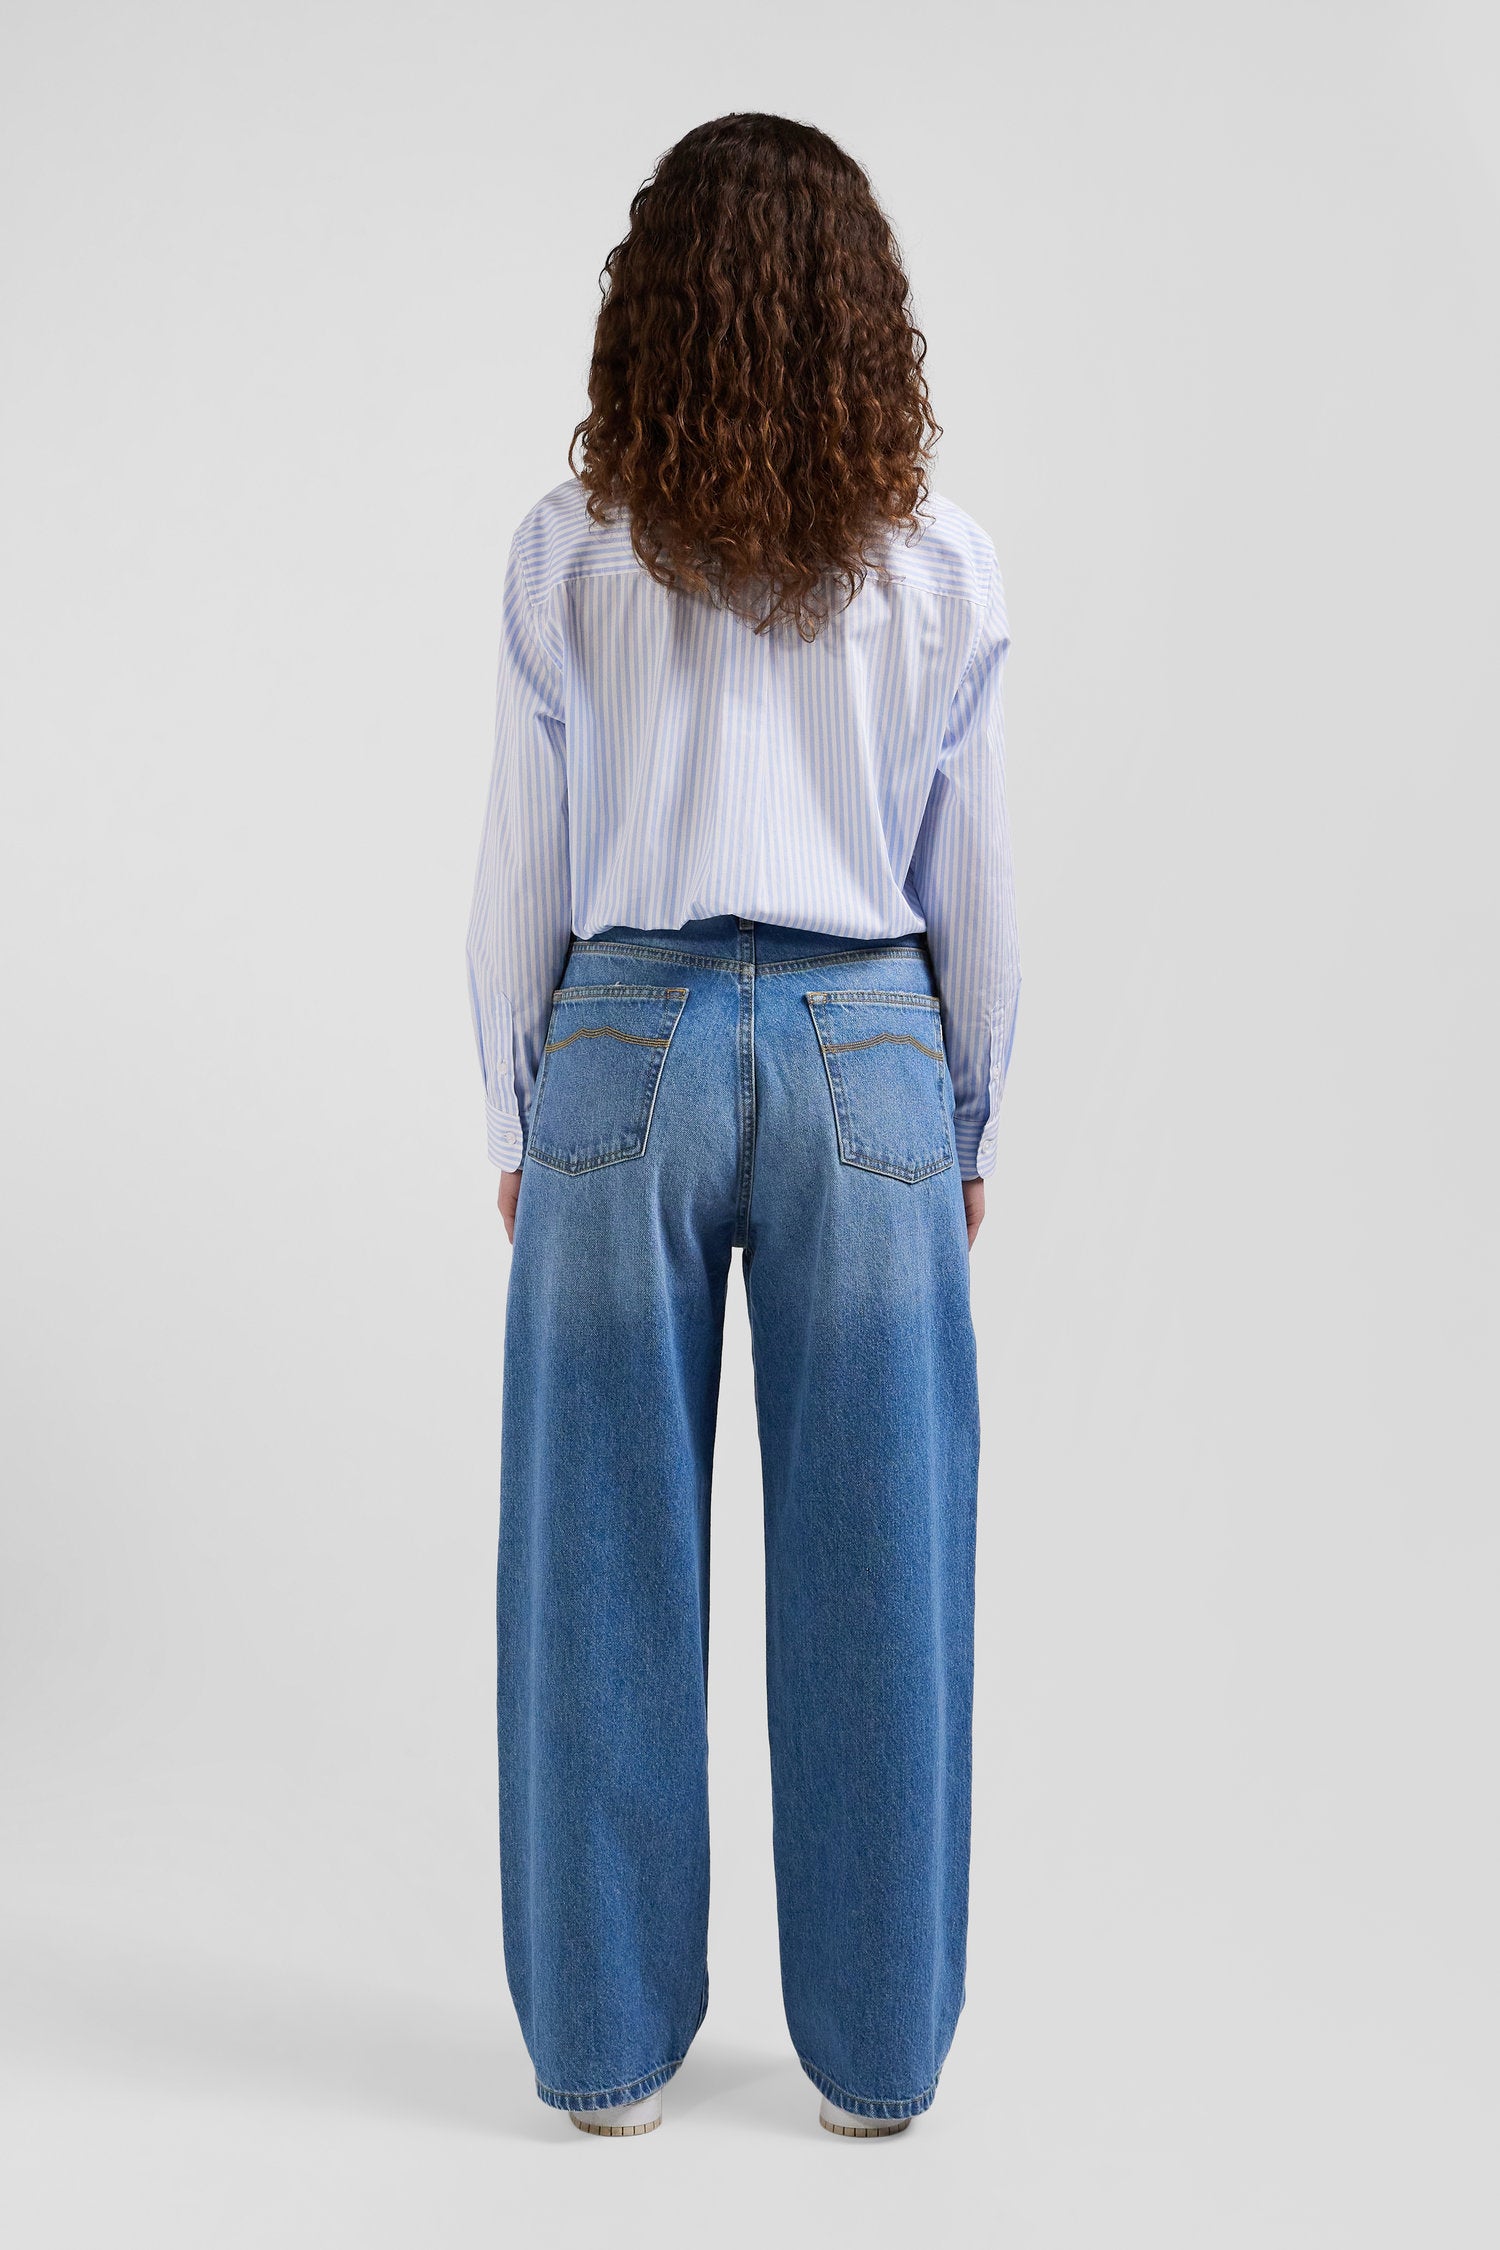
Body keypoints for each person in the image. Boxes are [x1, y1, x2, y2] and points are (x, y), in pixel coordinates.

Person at [465, 112, 1020, 2140]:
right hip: (872, 1038)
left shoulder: (572, 548)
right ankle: (878, 2060)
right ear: (867, 323)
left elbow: (522, 855)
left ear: (648, 313)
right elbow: (974, 877)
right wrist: (969, 1114)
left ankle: (603, 2052)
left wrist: (517, 1093)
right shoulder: (936, 568)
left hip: (622, 1033)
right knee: (887, 1553)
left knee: (595, 1552)